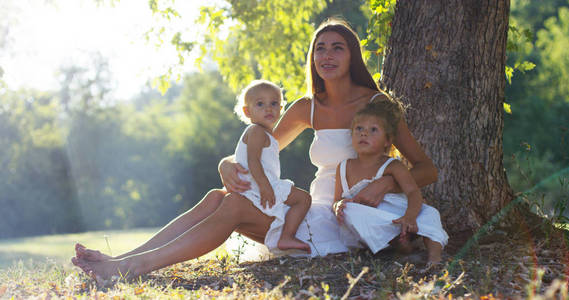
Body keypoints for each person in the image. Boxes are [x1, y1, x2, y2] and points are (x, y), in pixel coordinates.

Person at [72, 17, 438, 282]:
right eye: (319, 49)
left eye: (337, 48)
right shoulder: (305, 107)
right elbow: (260, 149)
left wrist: (383, 185)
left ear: (352, 55)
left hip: (340, 220)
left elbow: (425, 169)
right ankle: (121, 259)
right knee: (219, 195)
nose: (326, 56)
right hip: (310, 209)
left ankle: (129, 269)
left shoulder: (375, 106)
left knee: (232, 205)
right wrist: (225, 163)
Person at [333, 98, 448, 264]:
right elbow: (336, 199)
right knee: (350, 210)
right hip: (370, 222)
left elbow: (413, 192)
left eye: (373, 130)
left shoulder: (392, 166)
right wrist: (338, 205)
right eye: (359, 129)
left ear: (387, 141)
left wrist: (410, 216)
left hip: (398, 215)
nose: (364, 133)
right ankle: (396, 243)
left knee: (431, 213)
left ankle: (434, 257)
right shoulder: (343, 167)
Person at [231, 79, 311, 253]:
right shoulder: (257, 131)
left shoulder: (265, 134)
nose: (268, 108)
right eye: (260, 104)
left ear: (281, 109)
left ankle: (284, 234)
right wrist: (265, 186)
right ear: (247, 111)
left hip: (257, 182)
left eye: (274, 103)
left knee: (298, 200)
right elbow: (253, 160)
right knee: (303, 199)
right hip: (257, 183)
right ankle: (287, 236)